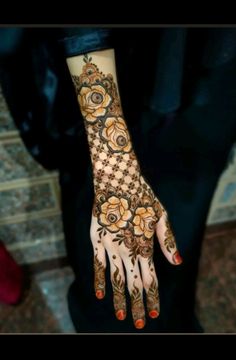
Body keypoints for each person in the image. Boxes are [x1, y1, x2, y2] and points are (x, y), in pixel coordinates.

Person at [1, 27, 236, 332]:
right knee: (113, 275)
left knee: (177, 246)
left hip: (215, 80)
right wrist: (113, 157)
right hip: (116, 76)